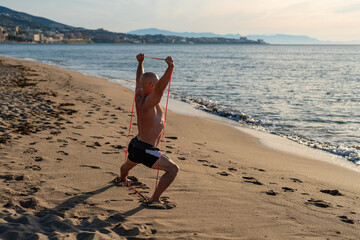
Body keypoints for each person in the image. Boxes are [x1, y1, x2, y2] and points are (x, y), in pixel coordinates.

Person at [120, 53, 179, 203]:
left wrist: (140, 63)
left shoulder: (139, 93)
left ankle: (122, 178)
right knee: (173, 169)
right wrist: (170, 67)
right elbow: (160, 89)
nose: (158, 85)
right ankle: (154, 199)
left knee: (128, 165)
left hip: (135, 144)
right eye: (156, 83)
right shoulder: (149, 100)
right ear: (152, 85)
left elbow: (140, 79)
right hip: (145, 149)